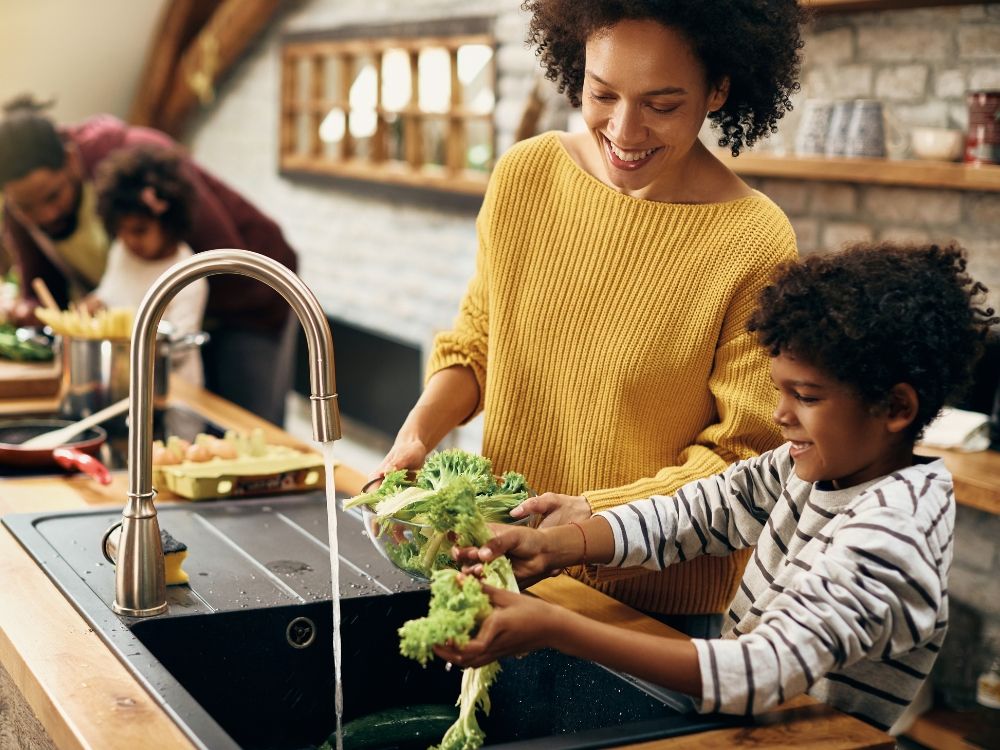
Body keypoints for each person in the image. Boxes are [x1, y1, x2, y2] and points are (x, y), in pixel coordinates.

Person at [375, 0, 806, 632]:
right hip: (504, 567)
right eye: (602, 94)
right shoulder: (528, 176)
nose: (626, 133)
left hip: (656, 609)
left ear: (718, 90)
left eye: (661, 106)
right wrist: (417, 436)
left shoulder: (755, 242)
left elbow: (744, 456)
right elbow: (479, 344)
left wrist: (594, 521)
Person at [441, 242, 996, 732]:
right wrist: (556, 544)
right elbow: (705, 511)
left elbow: (760, 671)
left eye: (806, 396)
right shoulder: (815, 468)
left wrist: (556, 627)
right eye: (781, 390)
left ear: (896, 407)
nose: (779, 415)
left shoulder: (891, 534)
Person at [0, 95, 297, 425]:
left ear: (70, 161)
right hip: (165, 331)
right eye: (27, 207)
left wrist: (170, 331)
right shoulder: (19, 211)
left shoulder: (137, 163)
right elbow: (46, 294)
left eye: (53, 196)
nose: (45, 214)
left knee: (245, 424)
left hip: (249, 300)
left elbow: (226, 262)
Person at [85, 144, 208, 385]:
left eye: (140, 231)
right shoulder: (121, 251)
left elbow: (179, 349)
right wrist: (95, 303)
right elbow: (109, 294)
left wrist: (130, 343)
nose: (130, 240)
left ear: (169, 223)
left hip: (173, 388)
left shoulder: (188, 275)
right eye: (122, 231)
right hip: (124, 380)